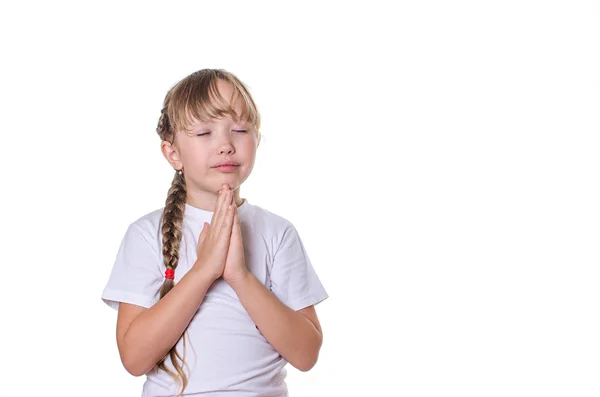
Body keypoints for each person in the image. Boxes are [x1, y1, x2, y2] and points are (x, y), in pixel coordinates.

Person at [100, 68, 329, 397]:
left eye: (239, 129)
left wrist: (240, 276)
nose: (225, 145)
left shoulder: (278, 233)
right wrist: (204, 270)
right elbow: (135, 359)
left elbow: (306, 355)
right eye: (204, 133)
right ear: (173, 153)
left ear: (257, 141)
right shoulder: (145, 234)